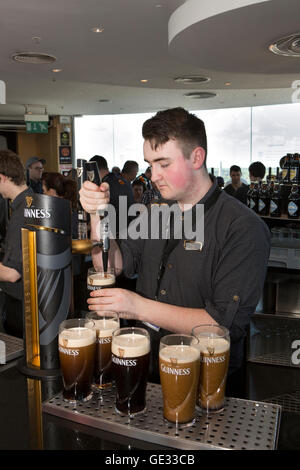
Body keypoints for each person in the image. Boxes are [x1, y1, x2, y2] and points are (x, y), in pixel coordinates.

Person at [79, 107, 270, 390]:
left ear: (196, 157)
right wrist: (97, 213)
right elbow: (111, 266)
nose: (153, 175)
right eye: (149, 164)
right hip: (146, 362)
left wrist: (137, 307)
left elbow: (220, 326)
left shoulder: (242, 227)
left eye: (163, 164)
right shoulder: (154, 212)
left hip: (204, 378)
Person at [0, 150, 34, 337]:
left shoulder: (22, 214)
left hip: (21, 305)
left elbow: (12, 273)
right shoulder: (32, 202)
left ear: (2, 177)